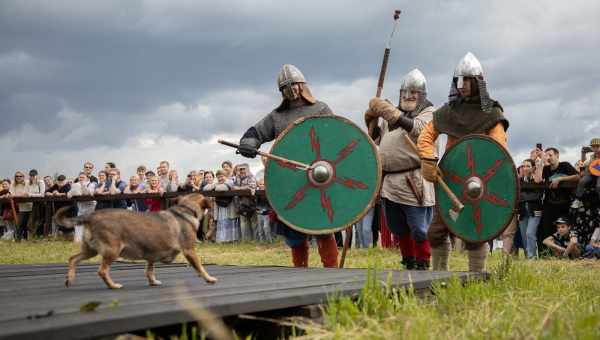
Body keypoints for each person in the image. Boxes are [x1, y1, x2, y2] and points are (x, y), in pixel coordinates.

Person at [237, 64, 338, 267]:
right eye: (286, 87)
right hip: (291, 183)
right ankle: (300, 272)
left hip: (319, 180)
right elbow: (256, 132)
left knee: (324, 230)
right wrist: (249, 143)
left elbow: (337, 136)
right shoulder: (277, 116)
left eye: (295, 85)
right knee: (294, 232)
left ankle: (332, 271)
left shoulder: (320, 109)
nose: (291, 90)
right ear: (281, 91)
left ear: (303, 85)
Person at [417, 52, 510, 272]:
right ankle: (438, 276)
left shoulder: (491, 113)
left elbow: (498, 149)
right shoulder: (448, 112)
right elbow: (426, 136)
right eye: (459, 80)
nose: (462, 85)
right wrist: (428, 158)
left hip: (480, 184)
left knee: (474, 232)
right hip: (451, 180)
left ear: (478, 82)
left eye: (467, 80)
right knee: (437, 231)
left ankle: (476, 276)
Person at [365, 68, 436, 268]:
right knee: (398, 227)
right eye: (405, 92)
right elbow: (378, 141)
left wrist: (390, 113)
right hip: (390, 181)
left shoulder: (429, 113)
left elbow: (419, 130)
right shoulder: (393, 118)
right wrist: (371, 120)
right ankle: (408, 260)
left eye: (414, 92)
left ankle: (423, 261)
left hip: (414, 178)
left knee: (418, 228)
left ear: (422, 94)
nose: (409, 95)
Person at [537, 147, 579, 255]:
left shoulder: (565, 165)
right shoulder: (546, 169)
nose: (548, 157)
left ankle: (566, 254)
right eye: (547, 155)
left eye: (550, 155)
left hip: (563, 205)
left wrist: (561, 179)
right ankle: (546, 255)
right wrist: (541, 161)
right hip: (549, 205)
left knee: (563, 231)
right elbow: (537, 180)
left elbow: (578, 176)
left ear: (557, 156)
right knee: (546, 230)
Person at [204, 170, 240, 243]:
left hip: (229, 206)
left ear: (225, 176)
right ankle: (223, 239)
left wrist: (216, 185)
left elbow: (221, 188)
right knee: (222, 222)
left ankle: (231, 239)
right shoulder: (217, 183)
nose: (220, 178)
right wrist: (215, 184)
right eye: (218, 177)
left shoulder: (230, 182)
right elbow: (205, 189)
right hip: (221, 207)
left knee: (229, 221)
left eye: (222, 176)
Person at [517, 159, 543, 258]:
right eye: (523, 166)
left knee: (530, 233)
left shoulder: (537, 179)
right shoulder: (518, 180)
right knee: (524, 236)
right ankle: (528, 257)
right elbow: (517, 196)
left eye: (528, 166)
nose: (525, 168)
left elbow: (538, 196)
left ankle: (532, 257)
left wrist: (523, 196)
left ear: (533, 168)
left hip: (535, 211)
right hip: (522, 211)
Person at [68, 172, 97, 242]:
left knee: (90, 224)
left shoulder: (92, 184)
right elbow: (69, 194)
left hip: (90, 207)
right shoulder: (76, 185)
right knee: (78, 224)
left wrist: (82, 185)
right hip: (81, 207)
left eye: (83, 177)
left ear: (87, 178)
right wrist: (71, 193)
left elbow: (88, 193)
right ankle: (78, 240)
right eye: (80, 177)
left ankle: (91, 240)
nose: (81, 179)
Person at [572, 138, 600, 208]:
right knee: (582, 181)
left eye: (597, 146)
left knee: (598, 186)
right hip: (592, 173)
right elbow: (584, 163)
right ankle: (578, 199)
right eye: (593, 147)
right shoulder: (592, 156)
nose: (595, 148)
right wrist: (583, 153)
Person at [232, 163, 257, 241]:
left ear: (248, 169)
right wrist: (243, 188)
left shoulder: (251, 176)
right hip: (240, 203)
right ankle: (246, 240)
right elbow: (233, 187)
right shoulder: (237, 178)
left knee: (253, 222)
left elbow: (252, 186)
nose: (242, 171)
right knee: (244, 222)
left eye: (243, 169)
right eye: (240, 169)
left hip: (251, 202)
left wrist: (239, 188)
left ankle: (256, 239)